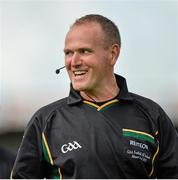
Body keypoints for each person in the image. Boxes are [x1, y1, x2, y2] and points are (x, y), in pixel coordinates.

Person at [11, 14, 178, 179]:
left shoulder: (153, 116)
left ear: (112, 54)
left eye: (84, 51)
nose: (74, 62)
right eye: (69, 53)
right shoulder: (45, 120)